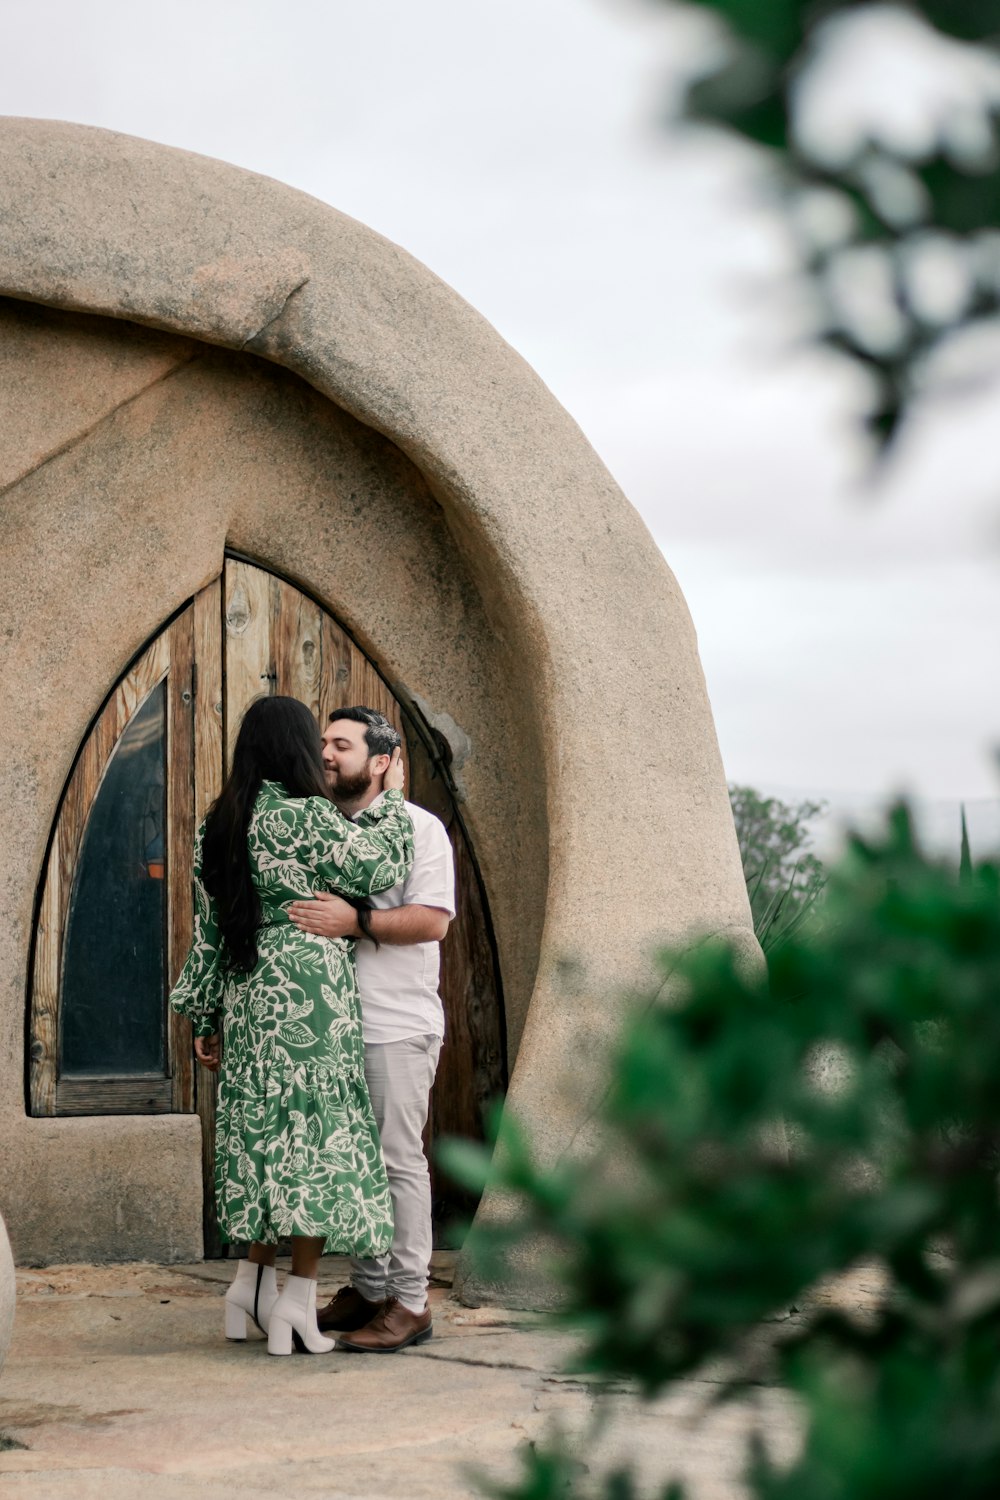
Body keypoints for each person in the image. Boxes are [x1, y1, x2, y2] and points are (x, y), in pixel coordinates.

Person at [168, 695, 414, 1357]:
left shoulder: (217, 825)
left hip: (248, 992)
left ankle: (250, 1287)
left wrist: (203, 1012)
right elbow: (378, 866)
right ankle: (296, 1305)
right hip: (310, 990)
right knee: (314, 1137)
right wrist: (391, 797)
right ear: (298, 749)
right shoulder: (306, 817)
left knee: (264, 1135)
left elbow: (210, 933)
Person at [288, 706, 455, 1353]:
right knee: (350, 1165)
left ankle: (410, 1302)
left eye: (342, 744)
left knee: (395, 1160)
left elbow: (434, 921)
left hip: (396, 1026)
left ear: (381, 760)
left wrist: (354, 921)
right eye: (322, 743)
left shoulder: (420, 829)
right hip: (332, 1028)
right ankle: (368, 1286)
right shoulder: (322, 829)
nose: (326, 753)